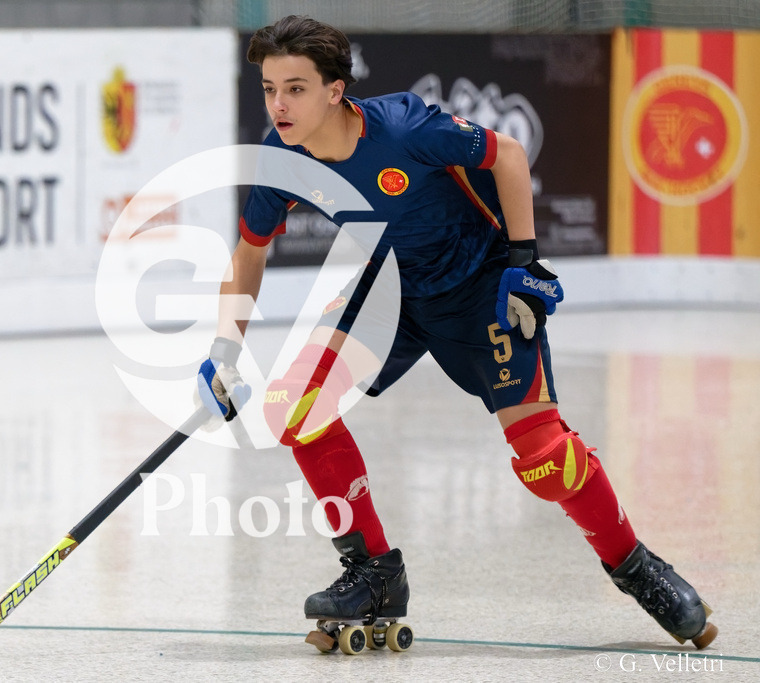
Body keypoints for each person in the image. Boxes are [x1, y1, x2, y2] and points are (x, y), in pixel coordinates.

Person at [196, 15, 717, 653]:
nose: (278, 104)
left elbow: (509, 155)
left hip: (479, 289)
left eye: (296, 88)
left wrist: (522, 262)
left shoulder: (404, 127)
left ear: (335, 90)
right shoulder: (280, 160)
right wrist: (225, 348)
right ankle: (375, 573)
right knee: (297, 407)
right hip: (389, 289)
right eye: (269, 88)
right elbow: (249, 252)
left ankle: (635, 566)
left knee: (546, 460)